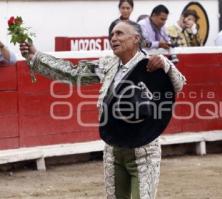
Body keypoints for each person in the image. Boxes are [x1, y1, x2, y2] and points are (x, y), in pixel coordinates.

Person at [19, 20, 186, 198]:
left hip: (144, 151)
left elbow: (179, 84)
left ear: (136, 38)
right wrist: (36, 56)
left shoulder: (151, 64)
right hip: (113, 150)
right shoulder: (108, 64)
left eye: (120, 33)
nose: (113, 38)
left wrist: (167, 65)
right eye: (112, 34)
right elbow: (74, 73)